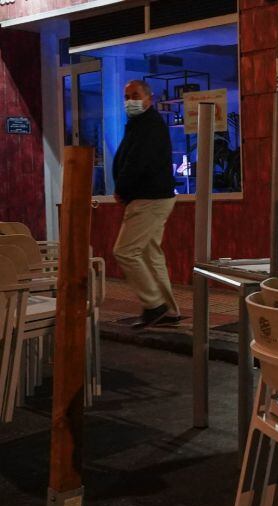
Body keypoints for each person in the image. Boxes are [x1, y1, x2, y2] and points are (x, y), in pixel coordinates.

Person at [112, 79, 181, 329]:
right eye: (127, 96)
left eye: (136, 95)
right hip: (155, 196)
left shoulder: (147, 126)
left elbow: (136, 163)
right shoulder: (140, 124)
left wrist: (121, 189)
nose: (130, 101)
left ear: (149, 98)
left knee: (125, 251)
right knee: (151, 253)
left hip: (148, 198)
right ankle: (169, 311)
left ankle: (154, 304)